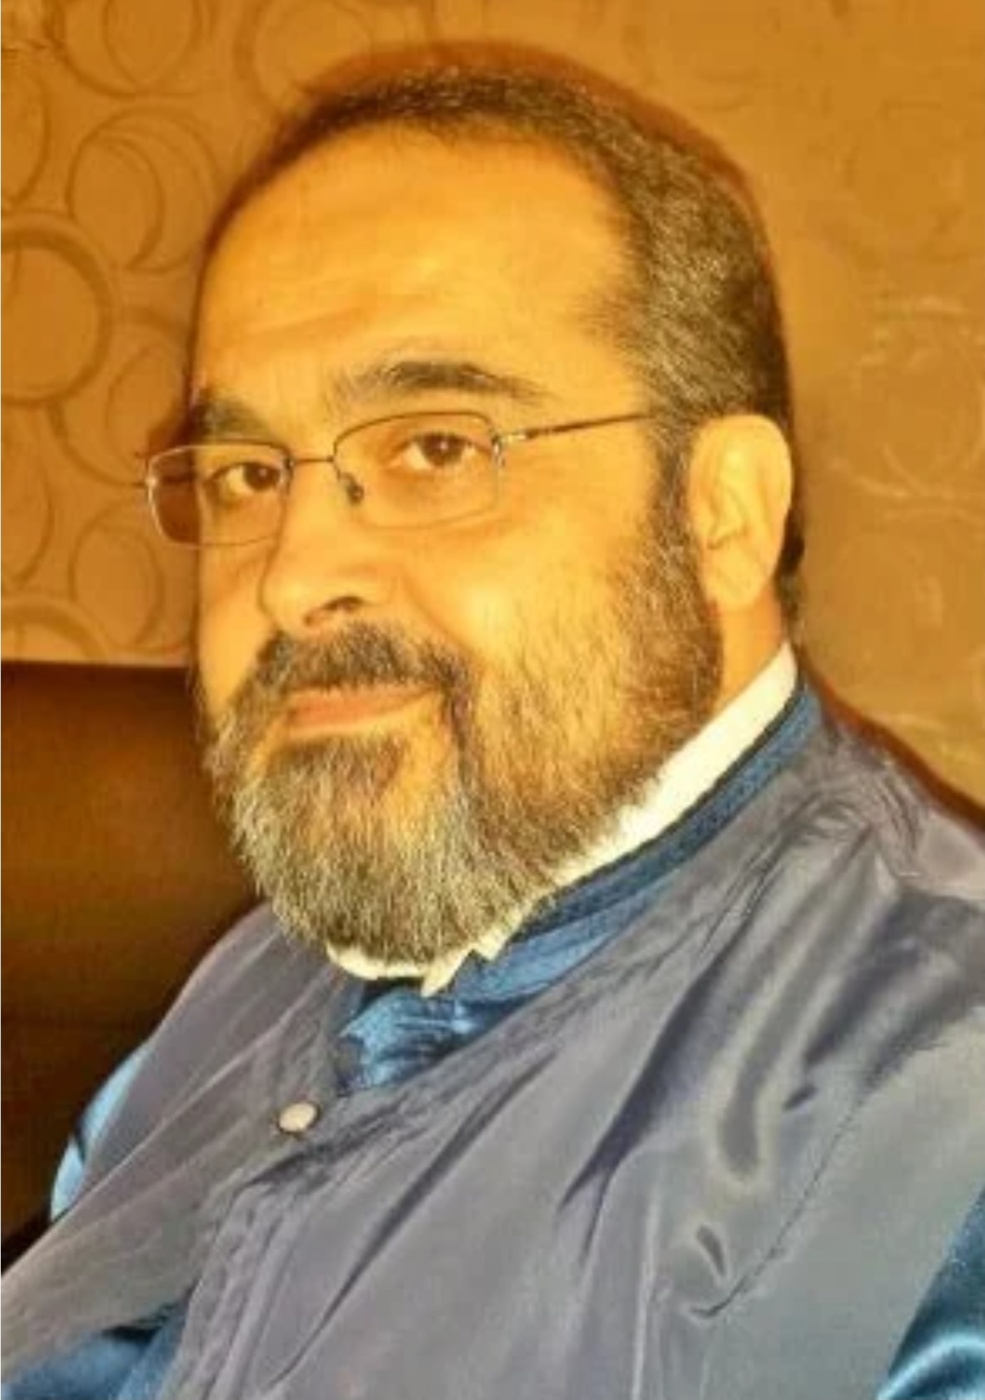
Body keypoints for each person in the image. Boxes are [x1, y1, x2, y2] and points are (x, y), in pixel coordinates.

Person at [3, 53, 983, 1400]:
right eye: (245, 473)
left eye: (437, 448)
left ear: (723, 513)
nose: (289, 574)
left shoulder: (938, 1138)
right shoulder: (274, 966)